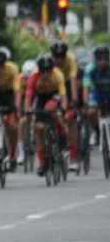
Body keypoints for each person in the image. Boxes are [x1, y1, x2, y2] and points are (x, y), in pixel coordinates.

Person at [25, 54, 68, 176]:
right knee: (38, 129)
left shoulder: (58, 75)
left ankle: (62, 133)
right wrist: (27, 110)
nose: (45, 73)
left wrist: (63, 109)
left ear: (51, 69)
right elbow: (28, 96)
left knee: (51, 109)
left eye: (47, 71)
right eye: (42, 71)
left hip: (54, 95)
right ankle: (43, 163)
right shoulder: (33, 77)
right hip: (40, 97)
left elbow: (63, 95)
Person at [50, 41, 80, 171]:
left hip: (67, 85)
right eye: (56, 56)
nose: (59, 59)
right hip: (54, 86)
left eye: (61, 56)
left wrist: (73, 100)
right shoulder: (49, 61)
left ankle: (73, 158)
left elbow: (73, 81)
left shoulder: (71, 59)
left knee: (71, 120)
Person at [83, 45, 110, 133]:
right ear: (95, 59)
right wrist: (86, 103)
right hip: (96, 92)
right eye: (99, 59)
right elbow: (86, 88)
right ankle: (96, 130)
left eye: (105, 58)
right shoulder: (89, 68)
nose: (102, 61)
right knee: (91, 111)